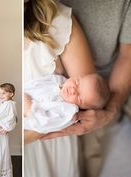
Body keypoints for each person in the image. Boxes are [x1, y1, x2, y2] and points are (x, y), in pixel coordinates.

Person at [42, 1, 131, 177]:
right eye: (77, 85)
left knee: (92, 148)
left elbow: (130, 55)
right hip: (65, 69)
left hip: (105, 86)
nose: (74, 90)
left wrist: (109, 111)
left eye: (77, 95)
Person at [24, 0, 97, 177]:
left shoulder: (57, 20)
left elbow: (87, 100)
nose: (74, 88)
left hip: (45, 140)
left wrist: (27, 131)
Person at [24, 73, 109, 144]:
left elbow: (43, 124)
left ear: (83, 108)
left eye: (79, 97)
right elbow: (37, 82)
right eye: (77, 82)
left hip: (27, 116)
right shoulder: (58, 80)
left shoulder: (68, 112)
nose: (73, 90)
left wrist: (29, 109)